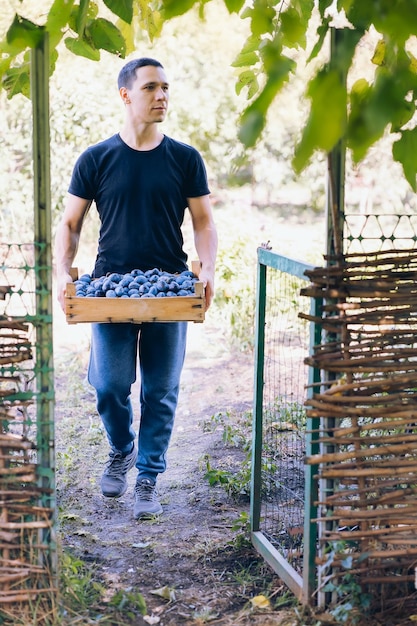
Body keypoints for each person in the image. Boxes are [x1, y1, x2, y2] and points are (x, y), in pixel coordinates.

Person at [55, 57, 218, 520]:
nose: (162, 95)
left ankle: (147, 475)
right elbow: (70, 222)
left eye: (166, 87)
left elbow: (204, 221)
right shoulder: (96, 158)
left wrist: (207, 269)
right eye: (151, 87)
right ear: (126, 95)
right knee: (108, 385)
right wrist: (62, 270)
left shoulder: (185, 158)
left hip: (169, 290)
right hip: (109, 290)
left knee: (161, 390)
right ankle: (122, 448)